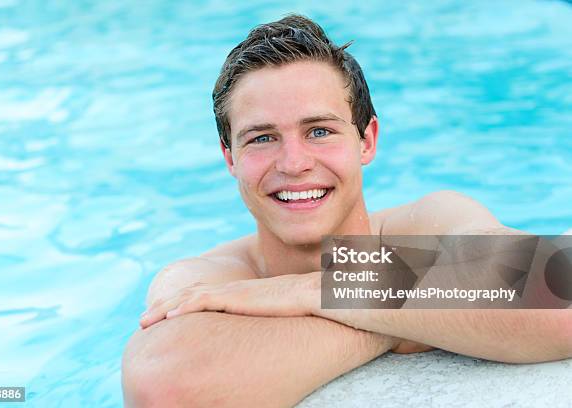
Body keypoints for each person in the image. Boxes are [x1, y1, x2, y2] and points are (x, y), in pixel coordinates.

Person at [122, 14, 572, 407]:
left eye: (318, 131)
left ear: (367, 141)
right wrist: (414, 319)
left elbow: (562, 284)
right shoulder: (207, 278)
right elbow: (165, 391)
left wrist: (307, 292)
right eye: (261, 137)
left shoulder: (434, 216)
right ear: (230, 158)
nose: (294, 163)